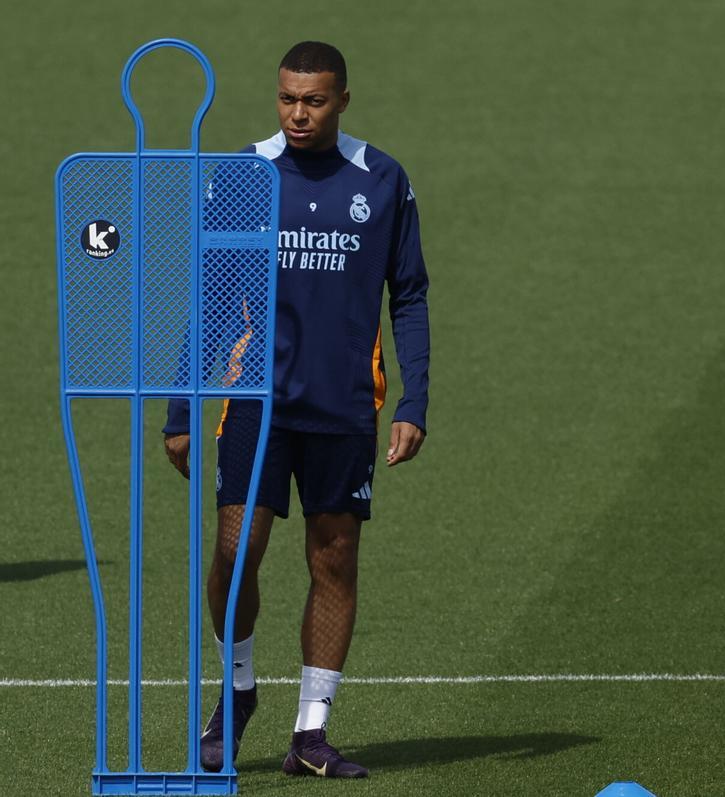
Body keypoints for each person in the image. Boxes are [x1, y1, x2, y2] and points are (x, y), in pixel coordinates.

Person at [162, 40, 430, 779]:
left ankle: (311, 732)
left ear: (343, 98)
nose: (298, 113)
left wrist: (416, 399)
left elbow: (407, 293)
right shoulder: (245, 175)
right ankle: (239, 688)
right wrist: (182, 406)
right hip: (257, 402)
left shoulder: (381, 180)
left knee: (334, 557)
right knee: (236, 547)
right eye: (287, 98)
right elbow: (214, 295)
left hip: (345, 405)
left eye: (314, 100)